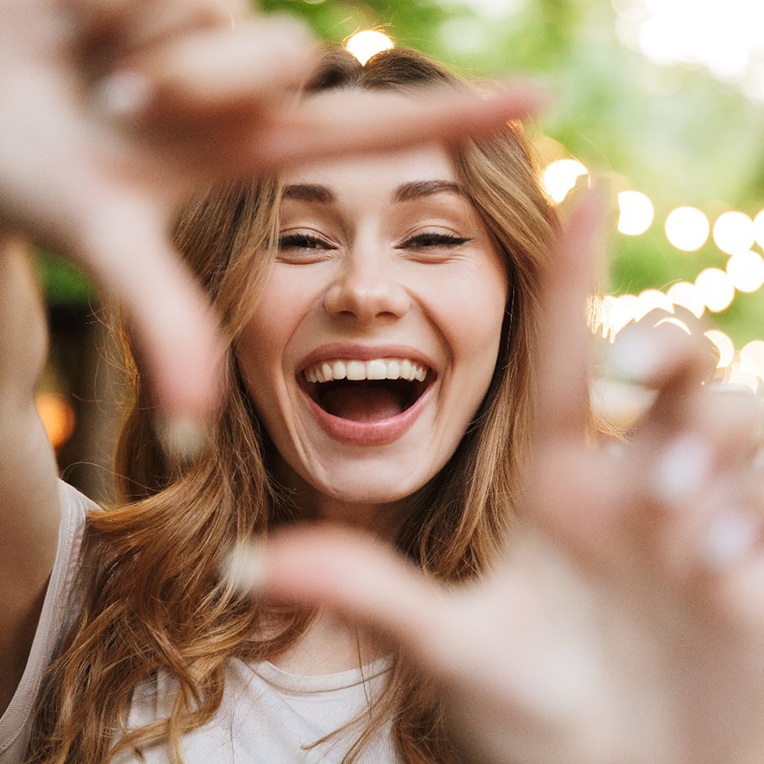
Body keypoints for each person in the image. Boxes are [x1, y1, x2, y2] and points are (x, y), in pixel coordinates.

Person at [2, 3, 763, 764]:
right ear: (222, 297)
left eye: (432, 237)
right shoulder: (74, 594)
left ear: (513, 303)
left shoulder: (627, 640)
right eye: (298, 239)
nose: (364, 291)